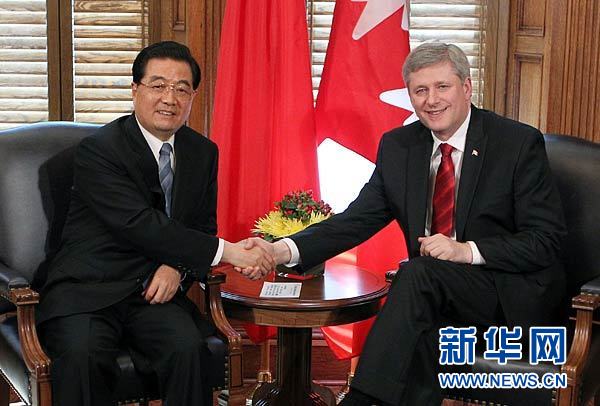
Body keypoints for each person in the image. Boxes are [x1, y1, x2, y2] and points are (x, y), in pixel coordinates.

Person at [243, 42, 566, 405]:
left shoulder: (516, 143)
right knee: (417, 336)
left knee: (416, 274)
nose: (432, 100)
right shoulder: (400, 146)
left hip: (503, 293)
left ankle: (359, 400)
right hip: (433, 299)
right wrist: (280, 249)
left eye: (442, 87)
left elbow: (546, 241)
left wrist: (466, 251)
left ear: (467, 87)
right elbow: (356, 220)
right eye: (420, 90)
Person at [37, 41, 274, 406]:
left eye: (182, 89)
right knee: (83, 358)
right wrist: (232, 253)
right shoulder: (100, 149)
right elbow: (138, 223)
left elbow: (200, 225)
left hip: (153, 292)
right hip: (89, 290)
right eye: (158, 85)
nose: (170, 98)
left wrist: (176, 267)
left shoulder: (202, 151)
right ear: (135, 90)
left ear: (193, 95)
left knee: (189, 349)